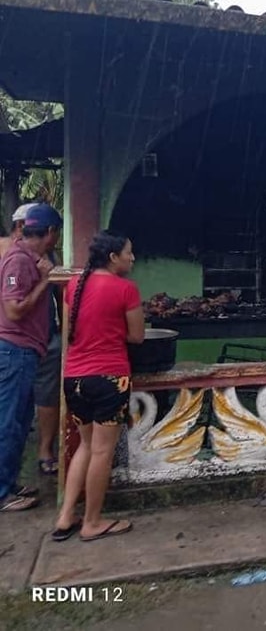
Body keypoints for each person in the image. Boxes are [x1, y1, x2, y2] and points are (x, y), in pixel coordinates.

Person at [53, 232, 144, 541]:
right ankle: (91, 522)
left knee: (86, 446)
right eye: (128, 253)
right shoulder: (125, 289)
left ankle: (66, 516)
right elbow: (137, 337)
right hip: (109, 378)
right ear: (112, 257)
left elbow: (72, 329)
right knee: (102, 452)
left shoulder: (74, 285)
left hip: (74, 379)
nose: (132, 258)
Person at [0, 203, 61, 512]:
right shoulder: (19, 260)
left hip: (26, 350)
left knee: (21, 422)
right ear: (49, 232)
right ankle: (2, 493)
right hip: (15, 350)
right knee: (8, 422)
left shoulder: (29, 258)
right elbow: (14, 309)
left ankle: (9, 483)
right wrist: (44, 282)